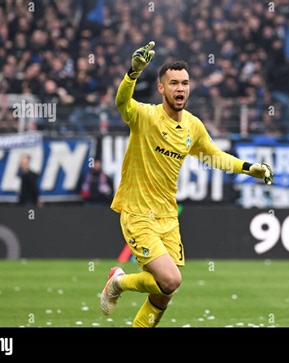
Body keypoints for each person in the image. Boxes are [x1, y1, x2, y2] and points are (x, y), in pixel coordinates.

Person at [100, 41, 274, 327]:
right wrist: (133, 73)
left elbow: (214, 156)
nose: (180, 89)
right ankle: (118, 282)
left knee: (163, 295)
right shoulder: (145, 117)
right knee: (170, 279)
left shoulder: (192, 126)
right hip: (138, 212)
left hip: (167, 216)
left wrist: (249, 168)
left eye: (185, 83)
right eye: (173, 84)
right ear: (161, 89)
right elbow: (121, 102)